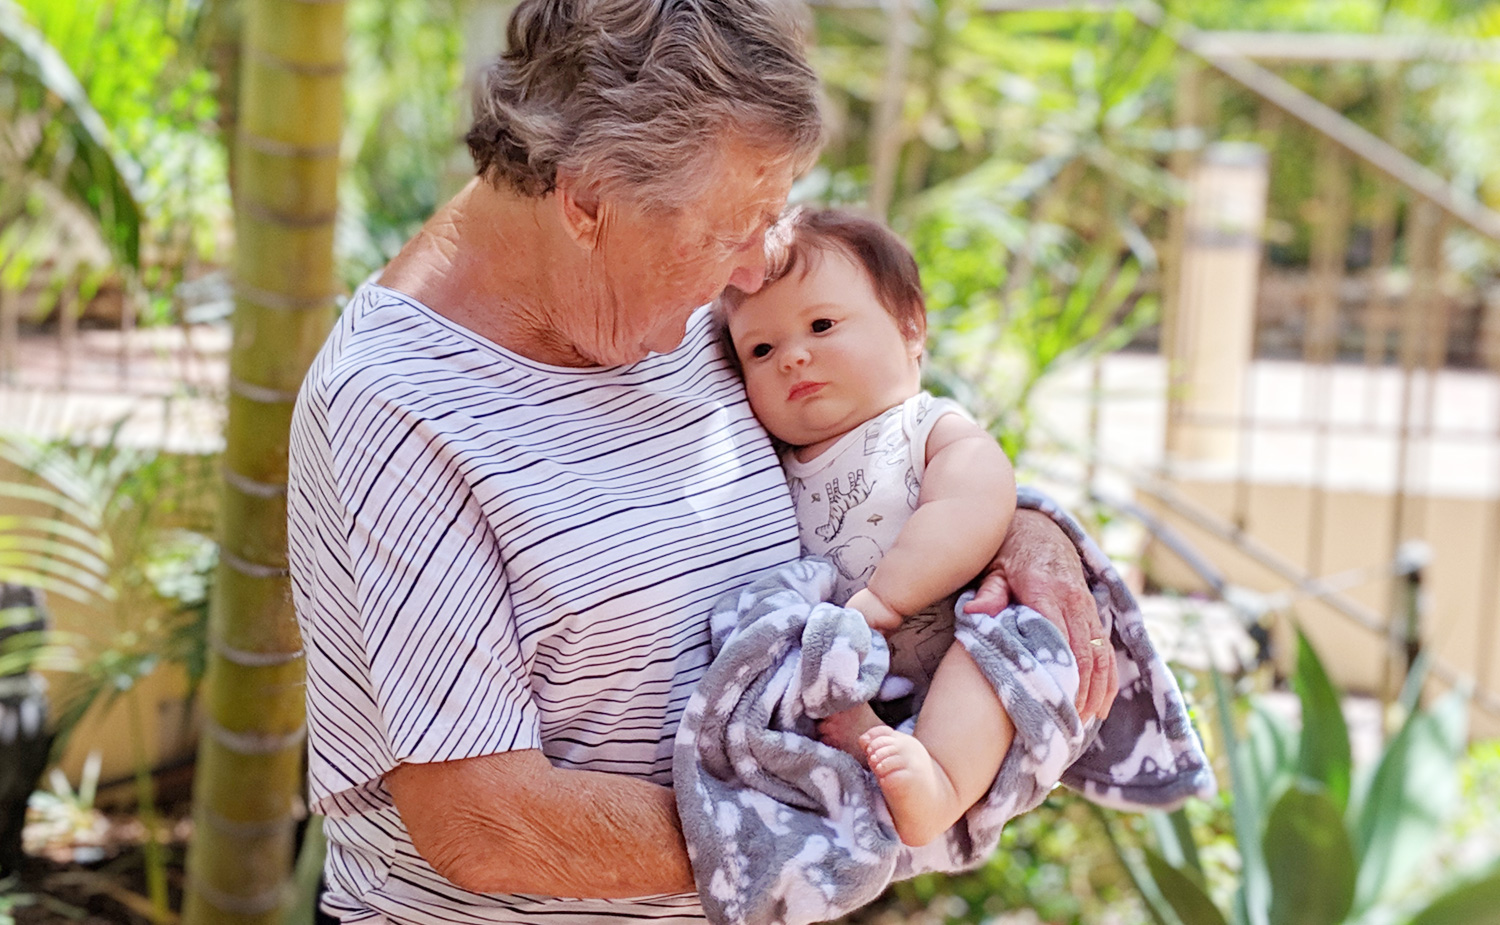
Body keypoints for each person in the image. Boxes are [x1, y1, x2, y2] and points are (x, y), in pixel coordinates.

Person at [286, 0, 1118, 921]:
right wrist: (846, 817)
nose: (759, 272)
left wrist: (1025, 532)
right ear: (587, 201)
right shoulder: (394, 404)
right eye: (734, 231)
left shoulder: (680, 287)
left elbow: (886, 433)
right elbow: (485, 820)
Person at [720, 207, 1016, 848]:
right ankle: (857, 747)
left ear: (911, 327)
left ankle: (940, 781)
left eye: (822, 325)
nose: (793, 357)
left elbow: (976, 500)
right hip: (847, 669)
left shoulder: (927, 428)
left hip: (939, 636)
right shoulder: (769, 462)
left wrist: (889, 598)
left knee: (993, 657)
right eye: (761, 350)